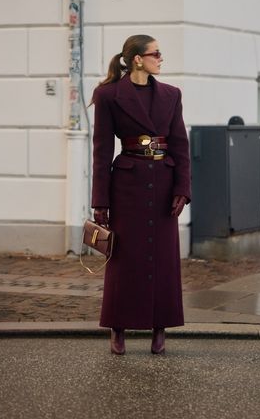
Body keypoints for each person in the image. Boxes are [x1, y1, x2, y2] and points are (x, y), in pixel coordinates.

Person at [91, 34, 191, 355]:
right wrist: (100, 201)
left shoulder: (172, 95)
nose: (161, 59)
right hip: (127, 187)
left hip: (163, 184)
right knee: (123, 259)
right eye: (156, 54)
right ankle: (117, 329)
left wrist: (182, 189)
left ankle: (160, 329)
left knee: (163, 259)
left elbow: (180, 145)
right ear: (137, 59)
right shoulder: (108, 96)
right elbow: (102, 152)